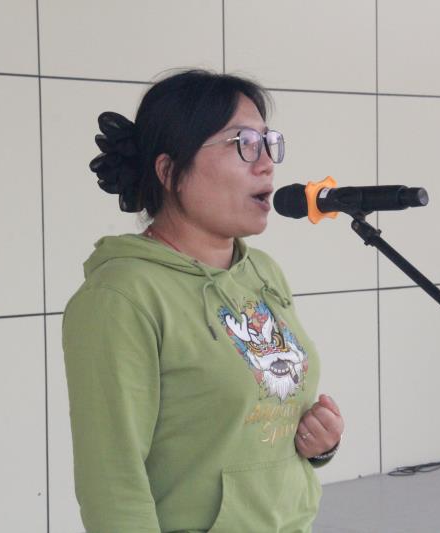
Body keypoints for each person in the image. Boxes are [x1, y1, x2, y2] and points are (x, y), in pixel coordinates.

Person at [62, 69, 344, 533]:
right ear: (169, 172)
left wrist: (319, 443)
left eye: (267, 142)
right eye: (243, 143)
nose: (266, 164)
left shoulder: (262, 273)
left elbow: (256, 424)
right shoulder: (120, 297)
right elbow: (111, 481)